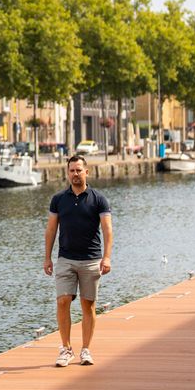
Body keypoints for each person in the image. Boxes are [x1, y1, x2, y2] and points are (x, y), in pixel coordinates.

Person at [43, 154, 113, 367]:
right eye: (71, 170)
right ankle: (65, 348)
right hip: (66, 258)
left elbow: (107, 230)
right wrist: (47, 257)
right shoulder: (58, 199)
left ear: (86, 172)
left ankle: (85, 349)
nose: (75, 174)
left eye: (78, 170)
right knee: (63, 300)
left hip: (91, 260)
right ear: (67, 173)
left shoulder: (98, 198)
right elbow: (51, 229)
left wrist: (107, 257)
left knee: (88, 305)